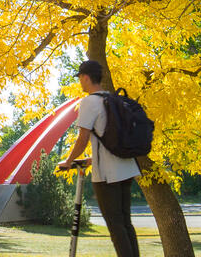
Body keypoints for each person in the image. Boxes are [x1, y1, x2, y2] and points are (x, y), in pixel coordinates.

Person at [60, 59, 140, 257]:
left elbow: (82, 139)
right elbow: (108, 137)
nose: (80, 82)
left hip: (108, 175)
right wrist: (91, 159)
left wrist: (68, 161)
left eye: (80, 78)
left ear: (86, 78)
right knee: (125, 223)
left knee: (115, 226)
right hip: (127, 168)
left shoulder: (90, 101)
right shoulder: (114, 99)